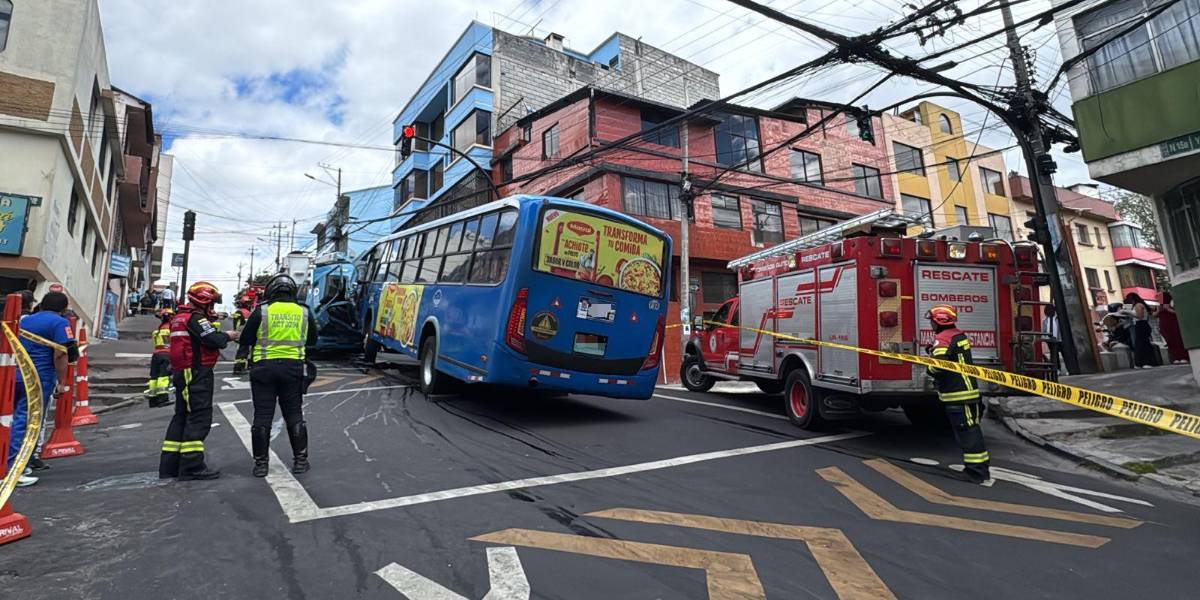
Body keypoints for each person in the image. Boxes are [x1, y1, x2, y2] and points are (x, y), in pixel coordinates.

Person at [234, 274, 317, 477]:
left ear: (271, 292)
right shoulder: (304, 312)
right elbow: (313, 340)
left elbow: (245, 338)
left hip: (263, 369)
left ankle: (261, 465)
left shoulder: (261, 311)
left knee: (262, 416)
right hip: (293, 369)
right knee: (294, 415)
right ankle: (300, 461)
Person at [159, 281, 237, 481]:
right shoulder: (196, 319)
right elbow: (214, 340)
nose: (213, 308)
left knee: (182, 417)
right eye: (212, 303)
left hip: (184, 372)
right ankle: (192, 466)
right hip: (196, 373)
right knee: (199, 417)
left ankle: (170, 465)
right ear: (204, 300)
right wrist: (228, 335)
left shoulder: (180, 317)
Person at [9, 291, 78, 486]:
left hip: (16, 374)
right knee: (27, 422)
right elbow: (60, 354)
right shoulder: (60, 323)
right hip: (39, 378)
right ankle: (14, 469)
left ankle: (22, 462)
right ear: (64, 308)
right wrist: (61, 382)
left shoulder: (25, 320)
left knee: (12, 419)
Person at [924, 304, 991, 485]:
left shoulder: (942, 339)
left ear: (938, 322)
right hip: (969, 392)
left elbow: (938, 368)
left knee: (967, 433)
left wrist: (928, 364)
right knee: (973, 429)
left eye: (932, 321)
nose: (931, 324)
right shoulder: (959, 336)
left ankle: (975, 472)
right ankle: (981, 468)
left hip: (957, 395)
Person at [146, 308, 174, 408]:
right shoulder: (170, 329)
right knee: (163, 377)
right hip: (166, 355)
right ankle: (162, 399)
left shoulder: (158, 330)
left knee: (154, 378)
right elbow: (171, 344)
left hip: (156, 355)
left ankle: (152, 400)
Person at [1125, 293, 1160, 368]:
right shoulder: (1139, 304)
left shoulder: (1138, 305)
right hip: (1142, 325)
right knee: (1142, 343)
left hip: (1141, 325)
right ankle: (1144, 362)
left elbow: (1139, 316)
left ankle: (1146, 362)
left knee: (1142, 344)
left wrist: (1128, 313)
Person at [1157, 292, 1189, 364]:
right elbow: (1155, 315)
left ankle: (1183, 357)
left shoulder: (1172, 302)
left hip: (1173, 324)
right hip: (1165, 326)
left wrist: (1168, 309)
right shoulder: (1159, 306)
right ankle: (1176, 357)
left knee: (1178, 340)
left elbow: (1179, 313)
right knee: (1170, 341)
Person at [1040, 305, 1061, 374]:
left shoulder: (1057, 318)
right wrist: (1045, 339)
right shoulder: (1045, 320)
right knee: (1054, 354)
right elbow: (1044, 331)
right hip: (1050, 339)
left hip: (1058, 338)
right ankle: (1057, 369)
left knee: (1058, 353)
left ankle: (1058, 368)